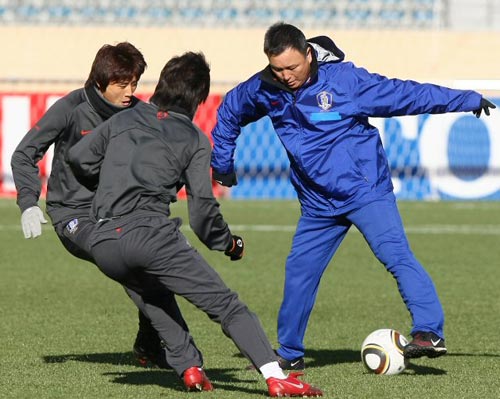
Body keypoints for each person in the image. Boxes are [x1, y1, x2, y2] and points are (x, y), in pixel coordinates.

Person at [210, 22, 497, 369]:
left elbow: (407, 94)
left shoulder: (346, 81)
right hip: (318, 203)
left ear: (309, 55)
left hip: (365, 191)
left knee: (395, 255)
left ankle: (429, 332)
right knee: (299, 272)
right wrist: (222, 161)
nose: (285, 76)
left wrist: (464, 99)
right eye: (278, 69)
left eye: (292, 67)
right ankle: (289, 353)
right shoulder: (264, 87)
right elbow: (229, 112)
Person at [66, 51, 323, 397]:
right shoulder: (194, 140)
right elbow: (202, 214)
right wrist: (228, 243)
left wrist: (114, 172)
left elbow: (79, 157)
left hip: (103, 242)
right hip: (150, 235)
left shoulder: (122, 119)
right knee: (227, 306)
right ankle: (277, 376)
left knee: (154, 295)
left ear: (161, 85)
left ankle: (189, 366)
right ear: (199, 98)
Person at [10, 42, 175, 368]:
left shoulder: (139, 113)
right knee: (129, 262)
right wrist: (29, 203)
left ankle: (149, 345)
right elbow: (24, 153)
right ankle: (177, 351)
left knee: (155, 268)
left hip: (118, 213)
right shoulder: (70, 108)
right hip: (72, 214)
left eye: (135, 83)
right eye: (122, 84)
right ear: (101, 81)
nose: (130, 91)